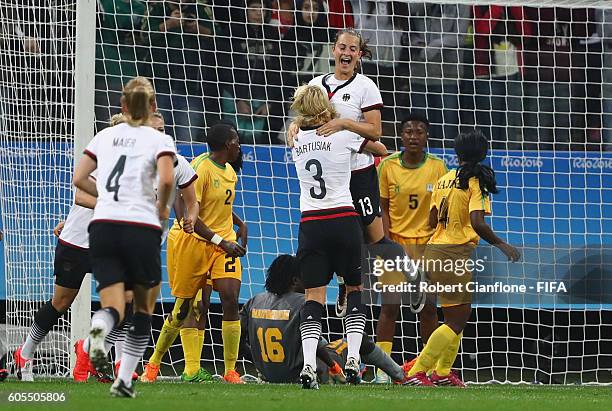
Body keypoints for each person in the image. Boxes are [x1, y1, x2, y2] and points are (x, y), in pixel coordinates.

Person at [12, 112, 150, 383]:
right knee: (61, 303)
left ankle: (100, 356)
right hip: (77, 242)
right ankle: (24, 354)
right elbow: (80, 195)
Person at [72, 76, 176, 398]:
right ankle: (125, 379)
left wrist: (105, 195)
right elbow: (168, 178)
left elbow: (79, 177)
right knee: (144, 307)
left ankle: (95, 337)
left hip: (103, 226)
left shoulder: (105, 135)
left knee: (113, 305)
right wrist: (160, 208)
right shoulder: (158, 139)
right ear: (153, 106)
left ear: (122, 105)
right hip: (140, 228)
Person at [405, 129, 520, 386]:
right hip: (454, 253)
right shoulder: (476, 181)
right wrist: (502, 244)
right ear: (483, 153)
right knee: (457, 320)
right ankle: (417, 372)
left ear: (458, 153)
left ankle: (443, 373)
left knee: (455, 319)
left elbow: (432, 220)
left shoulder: (444, 178)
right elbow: (477, 222)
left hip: (434, 251)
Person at [291, 84, 386, 389]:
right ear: (326, 107)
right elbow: (380, 147)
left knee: (313, 297)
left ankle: (307, 364)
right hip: (343, 219)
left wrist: (297, 126)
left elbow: (300, 128)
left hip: (311, 223)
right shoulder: (343, 135)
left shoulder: (295, 139)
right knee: (355, 287)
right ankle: (354, 360)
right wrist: (346, 125)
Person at [141, 122, 245, 384]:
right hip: (195, 242)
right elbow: (186, 202)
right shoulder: (200, 167)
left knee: (231, 297)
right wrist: (216, 237)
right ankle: (157, 364)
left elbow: (217, 204)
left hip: (222, 244)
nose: (239, 146)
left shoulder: (230, 170)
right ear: (226, 145)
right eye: (236, 141)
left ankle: (230, 370)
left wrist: (239, 224)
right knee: (191, 307)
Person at [240, 254, 410, 384]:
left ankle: (362, 368)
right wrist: (334, 367)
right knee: (360, 339)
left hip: (268, 375)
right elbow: (318, 346)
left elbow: (238, 340)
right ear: (294, 280)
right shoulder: (303, 302)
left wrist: (258, 361)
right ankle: (401, 375)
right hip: (302, 374)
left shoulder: (254, 302)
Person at [373, 113, 447, 383]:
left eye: (419, 131)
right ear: (401, 136)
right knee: (389, 307)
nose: (413, 136)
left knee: (428, 309)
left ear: (426, 136)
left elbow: (442, 208)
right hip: (394, 247)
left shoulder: (439, 168)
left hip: (427, 248)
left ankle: (426, 369)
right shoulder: (388, 166)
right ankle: (382, 371)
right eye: (408, 131)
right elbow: (382, 207)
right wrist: (387, 241)